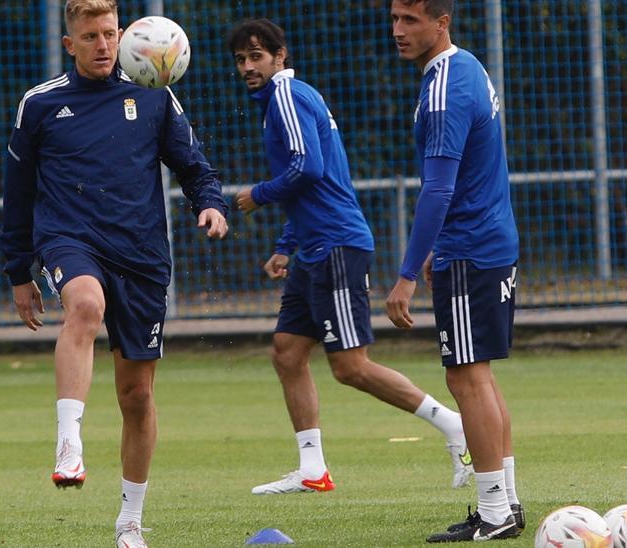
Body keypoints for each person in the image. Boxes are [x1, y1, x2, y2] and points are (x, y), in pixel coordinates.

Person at [0, 1, 229, 546]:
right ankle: (69, 441)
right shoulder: (40, 104)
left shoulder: (153, 92)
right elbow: (18, 193)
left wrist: (210, 202)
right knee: (84, 305)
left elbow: (193, 165)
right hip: (69, 239)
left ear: (122, 33)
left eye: (109, 33)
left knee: (137, 397)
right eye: (90, 36)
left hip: (142, 255)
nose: (102, 45)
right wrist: (17, 269)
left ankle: (129, 522)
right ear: (69, 43)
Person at [227, 18, 473, 496]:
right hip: (315, 246)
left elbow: (307, 168)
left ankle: (454, 425)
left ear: (280, 57)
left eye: (256, 56)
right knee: (288, 351)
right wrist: (285, 247)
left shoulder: (286, 95)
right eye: (241, 59)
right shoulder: (285, 101)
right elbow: (310, 185)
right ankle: (312, 469)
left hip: (337, 246)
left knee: (350, 366)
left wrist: (258, 193)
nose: (248, 66)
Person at [384, 0, 524, 542]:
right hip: (485, 242)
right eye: (395, 18)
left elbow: (440, 188)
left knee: (465, 376)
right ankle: (504, 502)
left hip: (471, 247)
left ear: (442, 23)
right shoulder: (466, 66)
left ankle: (492, 511)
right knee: (477, 374)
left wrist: (405, 274)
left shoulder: (444, 86)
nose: (398, 30)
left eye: (411, 20)